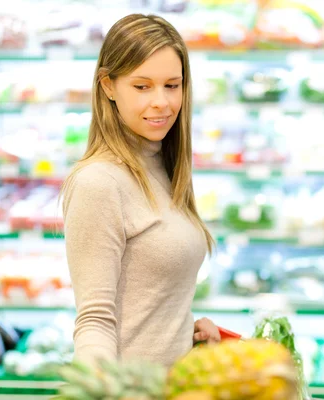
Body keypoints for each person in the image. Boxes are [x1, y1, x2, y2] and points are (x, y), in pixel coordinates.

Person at [60, 13, 221, 368]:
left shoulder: (164, 166)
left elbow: (145, 304)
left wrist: (184, 334)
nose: (162, 102)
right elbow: (95, 321)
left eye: (172, 85)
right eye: (142, 86)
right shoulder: (98, 182)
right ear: (108, 87)